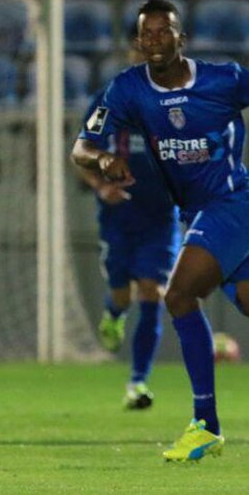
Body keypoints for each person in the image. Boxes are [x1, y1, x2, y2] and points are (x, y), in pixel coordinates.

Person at [72, 0, 249, 462]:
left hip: (231, 203)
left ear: (180, 38)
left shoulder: (224, 79)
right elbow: (81, 147)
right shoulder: (128, 90)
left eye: (163, 31)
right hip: (195, 212)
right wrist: (102, 158)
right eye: (146, 34)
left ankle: (205, 425)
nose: (154, 40)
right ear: (137, 41)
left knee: (177, 296)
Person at [74, 79, 179, 409]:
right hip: (118, 217)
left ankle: (137, 381)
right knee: (122, 293)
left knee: (151, 291)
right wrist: (99, 186)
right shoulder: (105, 103)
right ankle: (114, 312)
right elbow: (79, 153)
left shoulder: (178, 105)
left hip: (160, 218)